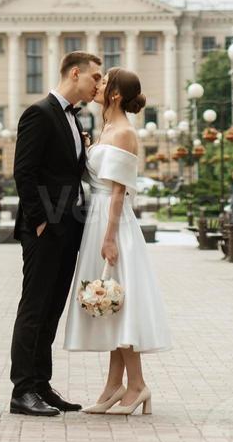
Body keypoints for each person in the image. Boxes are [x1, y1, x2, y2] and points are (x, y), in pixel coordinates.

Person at [64, 67, 171, 416]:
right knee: (109, 302)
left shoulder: (123, 132)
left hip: (113, 223)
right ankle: (114, 385)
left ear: (113, 95)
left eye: (103, 82)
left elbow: (119, 192)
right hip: (97, 218)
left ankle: (137, 385)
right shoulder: (106, 129)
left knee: (118, 301)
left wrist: (109, 238)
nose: (97, 86)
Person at [8, 51, 103, 418]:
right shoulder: (39, 113)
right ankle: (22, 390)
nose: (98, 84)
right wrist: (39, 220)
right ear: (75, 73)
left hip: (69, 229)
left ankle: (41, 384)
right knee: (34, 308)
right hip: (45, 229)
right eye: (95, 77)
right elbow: (24, 172)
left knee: (52, 310)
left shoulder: (74, 120)